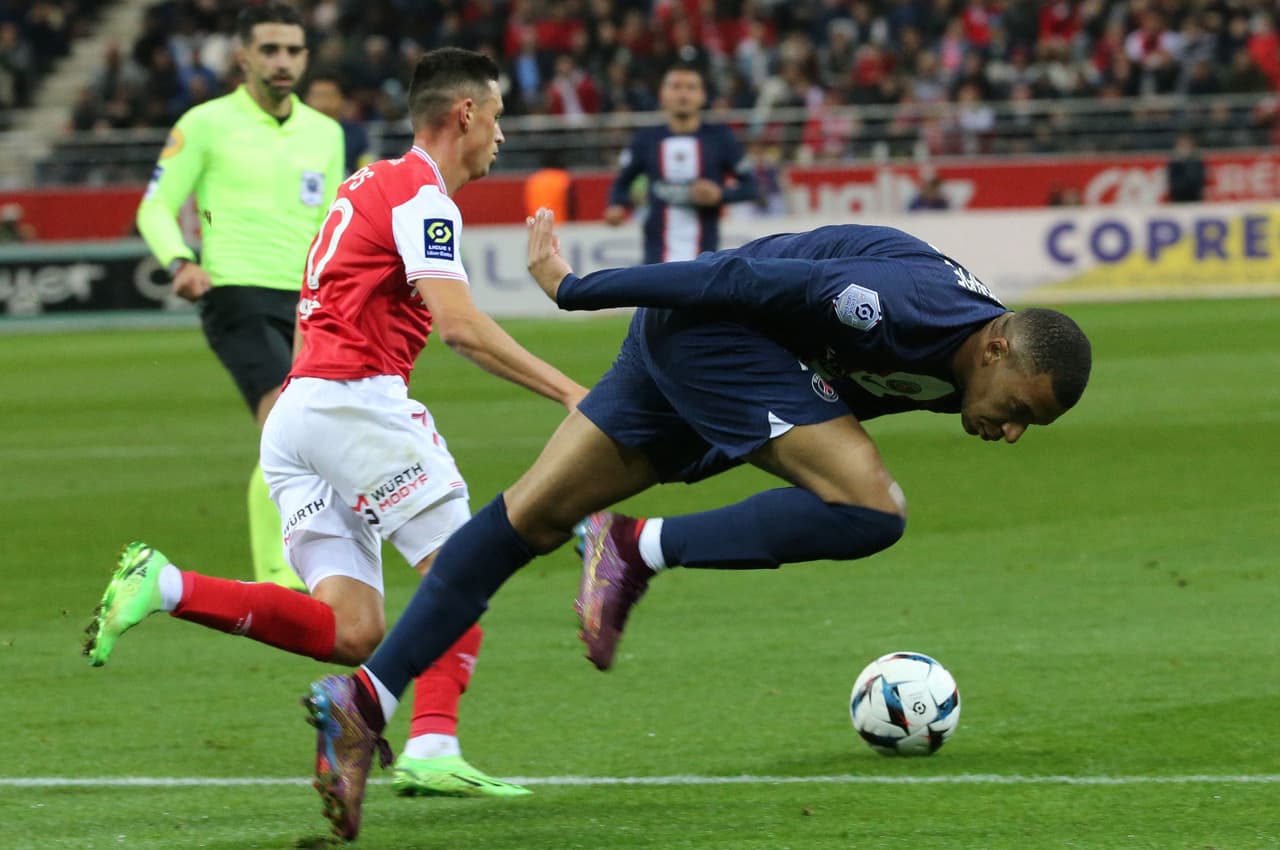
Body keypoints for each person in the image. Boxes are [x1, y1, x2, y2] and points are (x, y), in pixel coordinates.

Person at [299, 211, 1093, 839]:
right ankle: (636, 546)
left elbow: (829, 403)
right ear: (995, 349)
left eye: (1032, 426)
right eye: (1017, 410)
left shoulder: (964, 366)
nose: (1011, 432)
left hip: (709, 358)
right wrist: (580, 289)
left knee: (527, 520)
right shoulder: (902, 308)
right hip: (713, 329)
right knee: (873, 509)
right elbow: (739, 276)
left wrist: (699, 452)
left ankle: (363, 700)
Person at [85, 47, 587, 808]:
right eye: (498, 118)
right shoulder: (423, 196)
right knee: (468, 568)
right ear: (466, 115)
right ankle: (430, 745)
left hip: (296, 416)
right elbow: (460, 327)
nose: (502, 136)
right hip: (355, 404)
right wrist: (568, 391)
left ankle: (166, 585)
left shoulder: (367, 182)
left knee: (356, 630)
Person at [133, 2, 339, 593]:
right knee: (284, 424)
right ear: (244, 57)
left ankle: (308, 557)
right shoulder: (203, 124)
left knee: (312, 431)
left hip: (307, 299)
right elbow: (154, 203)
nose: (282, 62)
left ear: (304, 57)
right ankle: (277, 574)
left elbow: (329, 222)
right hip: (235, 291)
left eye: (292, 51)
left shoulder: (323, 134)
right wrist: (179, 260)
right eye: (269, 50)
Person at [603, 60, 759, 264]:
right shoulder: (646, 139)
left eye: (691, 87)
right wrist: (616, 205)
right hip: (656, 260)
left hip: (704, 263)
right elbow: (621, 183)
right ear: (662, 94)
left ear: (702, 95)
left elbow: (752, 187)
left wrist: (721, 194)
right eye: (675, 87)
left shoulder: (721, 138)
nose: (683, 94)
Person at [304, 70, 374, 175]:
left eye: (329, 96)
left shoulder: (357, 134)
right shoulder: (296, 133)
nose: (324, 104)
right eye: (318, 96)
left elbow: (367, 170)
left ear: (341, 100)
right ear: (306, 100)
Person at [1166, 132, 1206, 203]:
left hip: (1195, 199)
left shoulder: (1197, 162)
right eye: (1182, 145)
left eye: (1187, 145)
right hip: (1178, 199)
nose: (1184, 148)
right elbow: (1172, 183)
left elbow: (1199, 181)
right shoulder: (1173, 163)